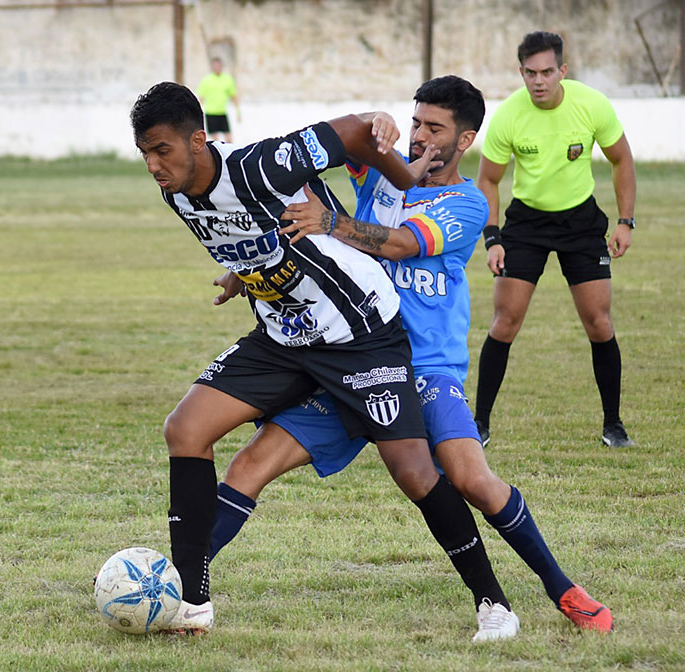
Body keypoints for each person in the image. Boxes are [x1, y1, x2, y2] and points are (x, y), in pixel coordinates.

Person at [207, 75, 614, 637]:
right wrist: (375, 120)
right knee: (250, 464)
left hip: (424, 368)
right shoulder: (384, 169)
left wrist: (334, 223)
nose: (420, 135)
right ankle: (183, 587)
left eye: (434, 128)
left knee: (470, 478)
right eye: (416, 121)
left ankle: (560, 587)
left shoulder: (467, 203)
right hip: (351, 358)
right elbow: (331, 152)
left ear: (464, 140)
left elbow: (399, 243)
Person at [130, 81, 471, 636]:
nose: (152, 166)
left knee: (412, 472)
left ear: (198, 141)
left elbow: (356, 133)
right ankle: (191, 602)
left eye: (161, 150)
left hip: (359, 329)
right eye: (144, 153)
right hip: (286, 336)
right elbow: (258, 235)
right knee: (185, 430)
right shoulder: (177, 193)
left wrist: (407, 174)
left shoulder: (263, 165)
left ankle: (491, 602)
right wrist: (242, 275)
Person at [474, 31, 638, 449]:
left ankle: (613, 426)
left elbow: (622, 159)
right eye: (530, 73)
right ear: (521, 73)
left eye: (547, 71)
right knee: (504, 322)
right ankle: (479, 425)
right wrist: (493, 238)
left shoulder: (591, 104)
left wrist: (625, 222)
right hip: (526, 224)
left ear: (562, 70)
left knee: (599, 323)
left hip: (581, 223)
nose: (539, 81)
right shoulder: (509, 115)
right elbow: (488, 181)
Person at [197, 57, 240, 142]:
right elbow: (201, 97)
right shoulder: (206, 80)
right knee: (215, 140)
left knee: (229, 138)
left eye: (218, 66)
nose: (217, 68)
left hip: (222, 112)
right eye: (215, 66)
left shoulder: (228, 79)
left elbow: (233, 96)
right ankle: (217, 155)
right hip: (211, 113)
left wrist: (238, 111)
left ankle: (230, 154)